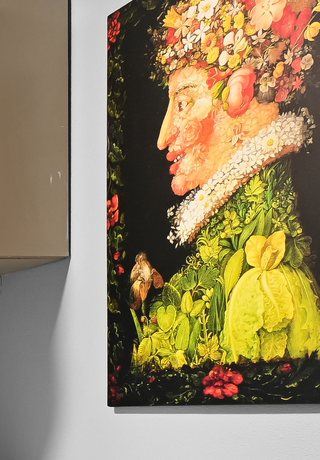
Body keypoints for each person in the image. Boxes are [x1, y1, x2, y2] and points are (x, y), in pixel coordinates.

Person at [132, 0, 320, 394]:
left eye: (183, 104)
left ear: (241, 96)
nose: (163, 136)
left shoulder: (269, 285)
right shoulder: (225, 259)